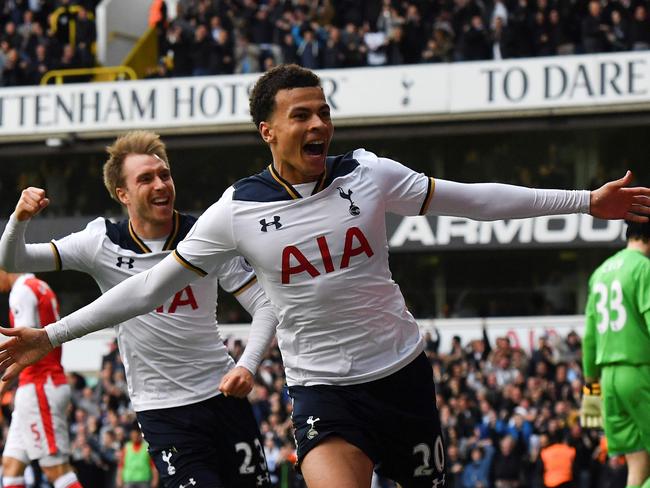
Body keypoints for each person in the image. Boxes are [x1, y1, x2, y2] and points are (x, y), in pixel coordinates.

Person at [1, 64, 650, 488]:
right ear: (268, 131)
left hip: (401, 373)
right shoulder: (237, 212)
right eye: (300, 115)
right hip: (321, 391)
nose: (318, 123)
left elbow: (475, 199)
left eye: (322, 111)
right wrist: (51, 336)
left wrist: (585, 201)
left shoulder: (368, 174)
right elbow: (146, 286)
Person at [0, 131, 276, 488]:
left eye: (165, 174)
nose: (161, 184)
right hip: (162, 410)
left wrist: (247, 365)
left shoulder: (205, 236)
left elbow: (264, 305)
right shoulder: (99, 242)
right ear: (123, 194)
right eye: (145, 179)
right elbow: (14, 258)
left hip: (224, 396)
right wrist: (19, 219)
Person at [581, 218, 650, 488]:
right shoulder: (644, 269)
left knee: (638, 464)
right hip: (640, 373)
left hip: (608, 381)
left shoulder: (600, 272)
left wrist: (591, 390)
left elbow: (589, 337)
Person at [0, 270, 83, 488]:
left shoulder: (21, 291)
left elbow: (26, 348)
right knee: (11, 466)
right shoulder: (39, 286)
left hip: (40, 387)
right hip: (38, 385)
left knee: (56, 470)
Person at [117, 423, 159, 488]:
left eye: (136, 434)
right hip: (128, 480)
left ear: (140, 434)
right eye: (133, 434)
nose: (135, 436)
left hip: (143, 480)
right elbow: (121, 465)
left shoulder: (146, 447)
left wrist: (155, 480)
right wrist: (119, 479)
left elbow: (153, 465)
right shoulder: (126, 447)